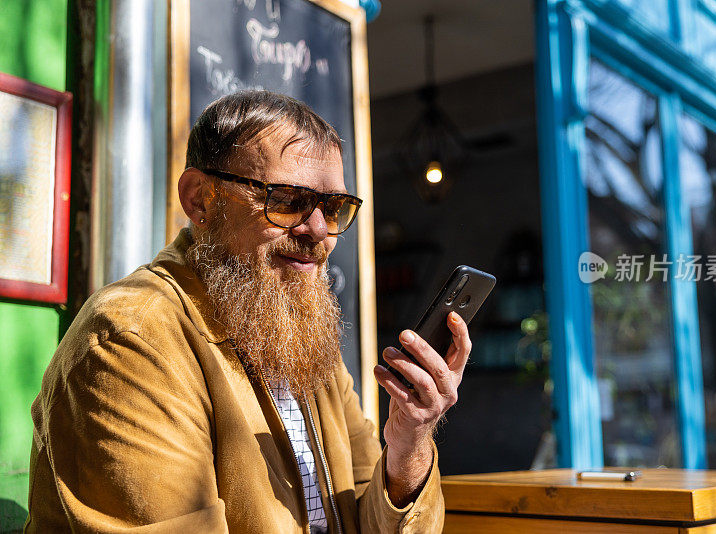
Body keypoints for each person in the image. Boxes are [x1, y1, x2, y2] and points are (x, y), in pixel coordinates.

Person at [25, 91, 472, 533]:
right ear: (200, 199)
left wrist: (409, 442)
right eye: (286, 199)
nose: (319, 231)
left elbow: (364, 517)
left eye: (333, 208)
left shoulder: (300, 332)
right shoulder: (131, 339)